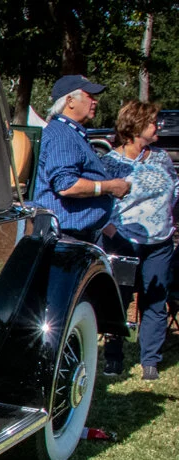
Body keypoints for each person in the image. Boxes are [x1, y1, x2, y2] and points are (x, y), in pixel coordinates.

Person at [100, 101, 179, 381]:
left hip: (160, 243)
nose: (158, 127)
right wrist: (113, 235)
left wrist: (170, 217)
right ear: (135, 128)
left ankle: (150, 362)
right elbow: (99, 206)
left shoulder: (161, 158)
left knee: (155, 300)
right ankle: (113, 357)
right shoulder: (110, 163)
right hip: (123, 242)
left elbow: (176, 188)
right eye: (152, 122)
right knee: (118, 300)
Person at [34, 75, 132, 243]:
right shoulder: (62, 136)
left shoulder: (69, 133)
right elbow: (67, 185)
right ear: (70, 101)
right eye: (90, 96)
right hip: (65, 236)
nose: (95, 102)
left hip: (71, 234)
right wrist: (110, 187)